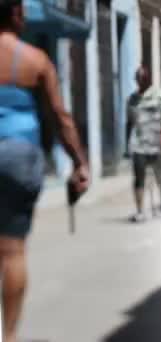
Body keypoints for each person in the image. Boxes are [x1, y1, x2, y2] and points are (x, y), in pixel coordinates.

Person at [0, 1, 89, 341]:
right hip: (20, 156)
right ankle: (8, 337)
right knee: (12, 250)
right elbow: (60, 118)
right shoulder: (35, 60)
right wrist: (79, 162)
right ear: (16, 15)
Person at [126, 66, 161, 222]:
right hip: (138, 145)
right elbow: (129, 123)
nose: (140, 82)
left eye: (143, 79)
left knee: (160, 178)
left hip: (156, 143)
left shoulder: (159, 95)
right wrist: (127, 144)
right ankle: (140, 211)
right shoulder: (132, 99)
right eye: (138, 79)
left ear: (148, 79)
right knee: (139, 178)